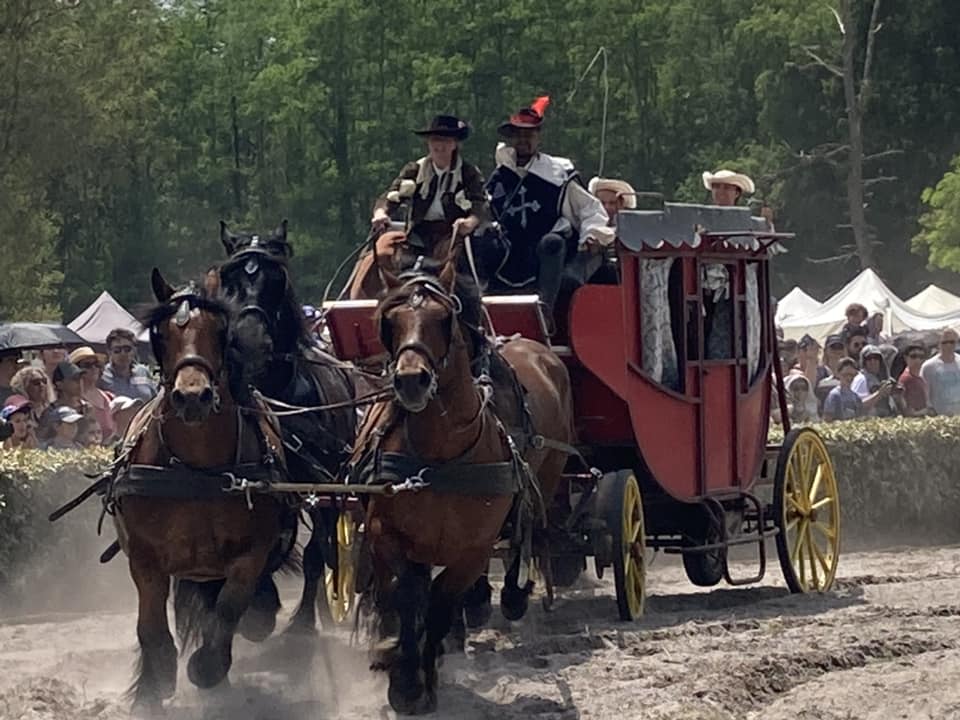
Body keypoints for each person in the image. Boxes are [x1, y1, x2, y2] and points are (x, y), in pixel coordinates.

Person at [481, 96, 613, 323]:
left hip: (546, 251)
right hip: (508, 250)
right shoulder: (501, 176)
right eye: (519, 135)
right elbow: (485, 209)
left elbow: (590, 209)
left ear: (538, 137)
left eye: (529, 134)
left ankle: (545, 312)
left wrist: (593, 235)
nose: (523, 140)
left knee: (552, 243)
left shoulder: (557, 174)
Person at [371, 114, 487, 264]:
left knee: (456, 263)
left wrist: (470, 222)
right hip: (416, 235)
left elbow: (479, 204)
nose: (439, 146)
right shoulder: (415, 170)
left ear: (454, 144)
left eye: (445, 140)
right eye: (435, 140)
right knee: (380, 252)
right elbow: (391, 196)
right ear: (428, 144)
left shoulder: (468, 173)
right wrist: (381, 213)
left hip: (451, 236)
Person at [69, 346, 115, 440]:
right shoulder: (74, 401)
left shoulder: (109, 397)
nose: (94, 368)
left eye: (96, 364)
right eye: (87, 365)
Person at [99, 328, 156, 402]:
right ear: (109, 352)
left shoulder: (143, 372)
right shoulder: (102, 376)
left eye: (127, 349)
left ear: (134, 350)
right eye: (117, 350)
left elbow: (155, 399)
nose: (123, 354)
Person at [851, 345, 902, 417]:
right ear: (864, 361)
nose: (873, 361)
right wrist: (879, 394)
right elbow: (857, 406)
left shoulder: (882, 379)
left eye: (876, 358)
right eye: (869, 359)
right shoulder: (861, 379)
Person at [921, 328, 960, 416]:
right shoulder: (929, 366)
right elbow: (924, 393)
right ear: (939, 344)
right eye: (944, 342)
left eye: (952, 342)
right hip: (940, 417)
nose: (948, 345)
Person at [10, 366, 52, 441]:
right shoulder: (18, 412)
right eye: (36, 382)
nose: (42, 385)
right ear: (24, 386)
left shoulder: (52, 409)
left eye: (44, 381)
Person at [823, 358, 864, 422]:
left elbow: (859, 418)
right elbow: (827, 419)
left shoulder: (856, 397)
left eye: (851, 375)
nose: (849, 378)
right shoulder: (834, 395)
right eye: (845, 374)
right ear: (838, 374)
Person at [898, 342, 932, 416]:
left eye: (921, 357)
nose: (917, 360)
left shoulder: (925, 375)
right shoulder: (905, 379)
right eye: (913, 356)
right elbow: (906, 412)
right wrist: (926, 411)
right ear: (906, 358)